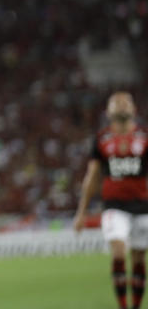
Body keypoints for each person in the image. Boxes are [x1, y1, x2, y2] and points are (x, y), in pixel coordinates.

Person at [75, 91, 148, 309]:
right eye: (116, 104)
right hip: (114, 206)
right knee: (118, 251)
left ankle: (135, 305)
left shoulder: (145, 137)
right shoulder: (102, 140)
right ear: (108, 112)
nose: (121, 106)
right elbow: (92, 177)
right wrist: (82, 212)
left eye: (125, 103)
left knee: (138, 259)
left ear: (134, 110)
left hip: (143, 207)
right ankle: (123, 306)